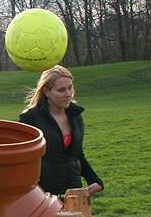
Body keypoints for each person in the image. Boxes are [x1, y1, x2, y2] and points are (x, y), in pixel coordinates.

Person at [18, 66, 104, 196]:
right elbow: (21, 159)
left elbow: (77, 154)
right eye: (61, 90)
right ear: (47, 91)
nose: (68, 94)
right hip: (42, 195)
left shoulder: (75, 116)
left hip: (74, 192)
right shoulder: (30, 118)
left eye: (70, 87)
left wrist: (94, 179)